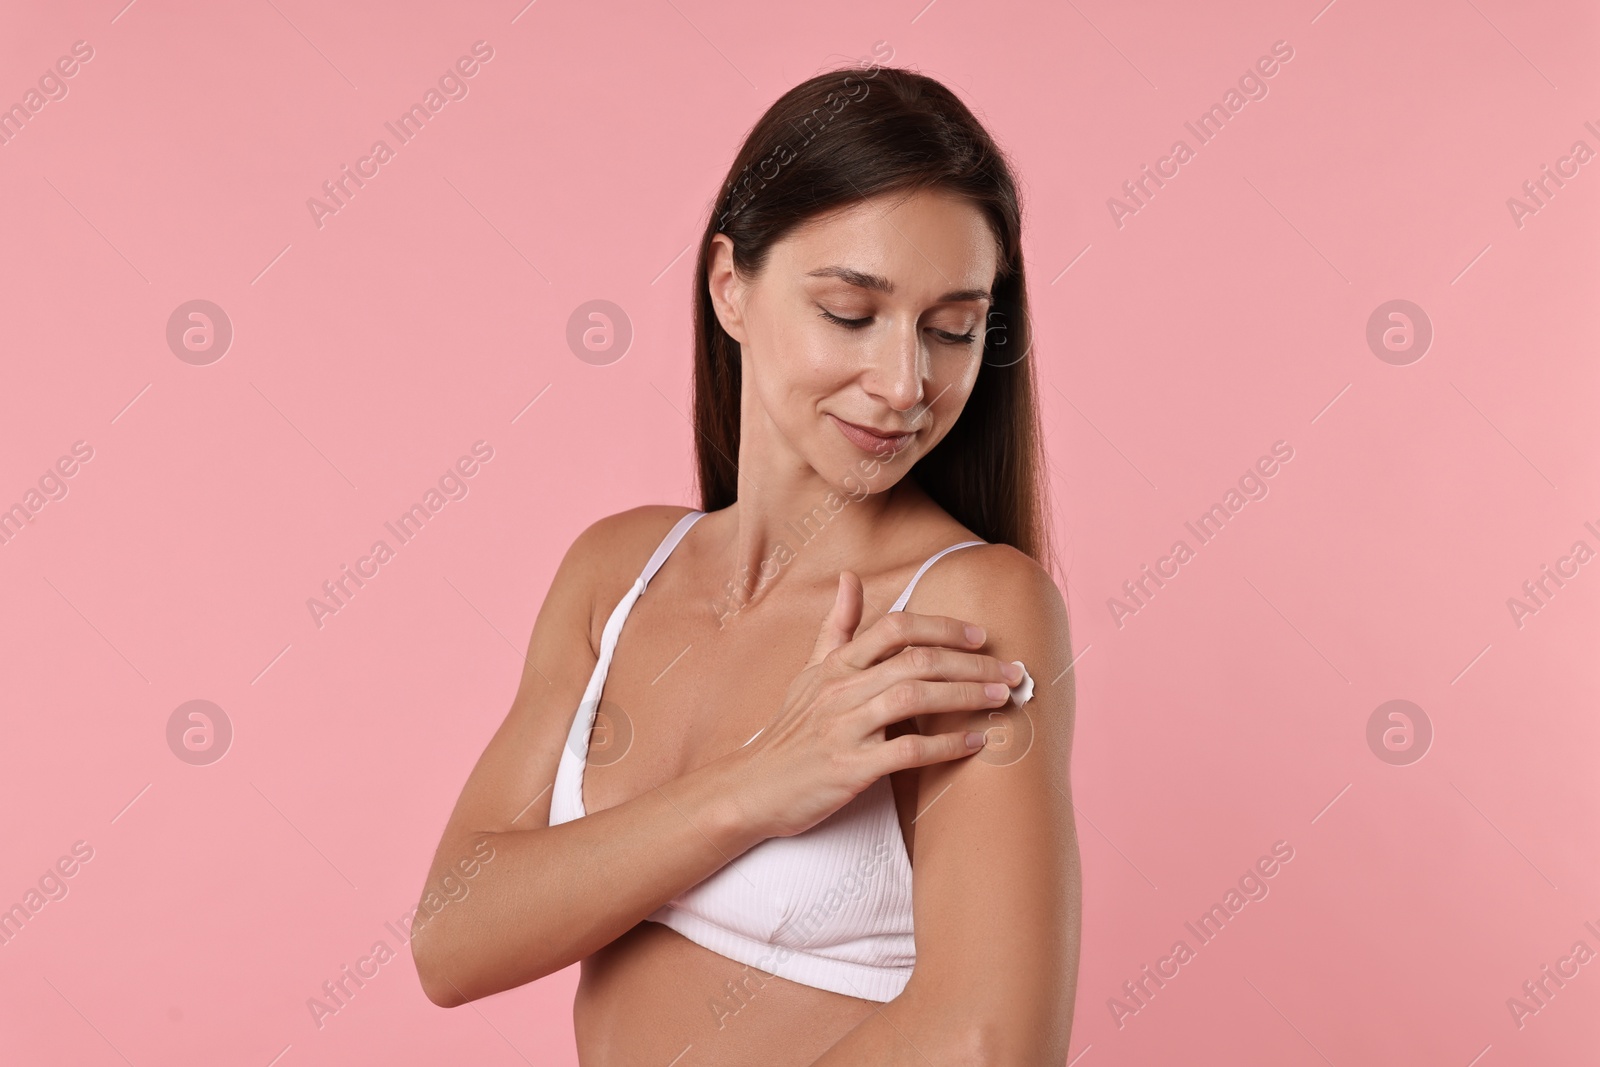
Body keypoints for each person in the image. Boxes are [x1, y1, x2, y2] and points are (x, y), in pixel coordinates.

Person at [411, 62, 1080, 1065]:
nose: (905, 382)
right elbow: (452, 939)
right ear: (730, 285)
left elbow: (987, 1041)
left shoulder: (968, 609)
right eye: (852, 313)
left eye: (951, 329)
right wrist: (759, 784)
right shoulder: (618, 574)